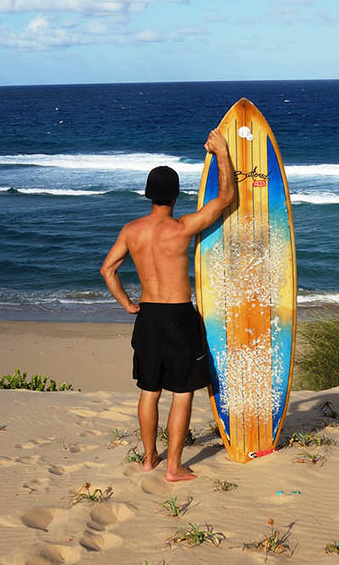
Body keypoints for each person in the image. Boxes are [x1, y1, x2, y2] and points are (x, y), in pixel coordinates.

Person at [100, 127, 237, 482]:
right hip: (178, 317)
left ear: (148, 195)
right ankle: (174, 466)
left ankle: (149, 458)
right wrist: (221, 152)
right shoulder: (182, 228)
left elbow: (108, 269)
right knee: (182, 393)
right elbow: (225, 199)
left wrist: (128, 304)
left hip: (148, 317)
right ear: (176, 196)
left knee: (149, 390)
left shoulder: (131, 230)